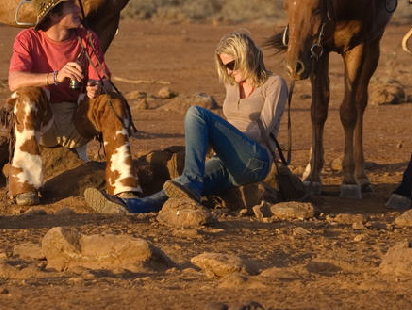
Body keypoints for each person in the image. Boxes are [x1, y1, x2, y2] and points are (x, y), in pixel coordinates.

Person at [83, 30, 289, 214]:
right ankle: (127, 206)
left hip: (255, 159)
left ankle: (191, 180)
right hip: (228, 161)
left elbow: (263, 128)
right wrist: (218, 143)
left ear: (246, 56)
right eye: (224, 66)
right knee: (179, 186)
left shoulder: (274, 84)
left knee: (196, 114)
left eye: (231, 65)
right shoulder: (233, 85)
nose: (228, 71)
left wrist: (220, 138)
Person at [4, 0, 141, 206]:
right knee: (25, 96)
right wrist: (55, 76)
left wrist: (97, 87)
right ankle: (24, 188)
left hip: (78, 121)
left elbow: (104, 80)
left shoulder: (87, 38)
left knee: (112, 103)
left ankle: (124, 188)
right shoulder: (27, 39)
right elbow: (14, 80)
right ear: (53, 15)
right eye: (71, 6)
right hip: (43, 124)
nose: (79, 9)